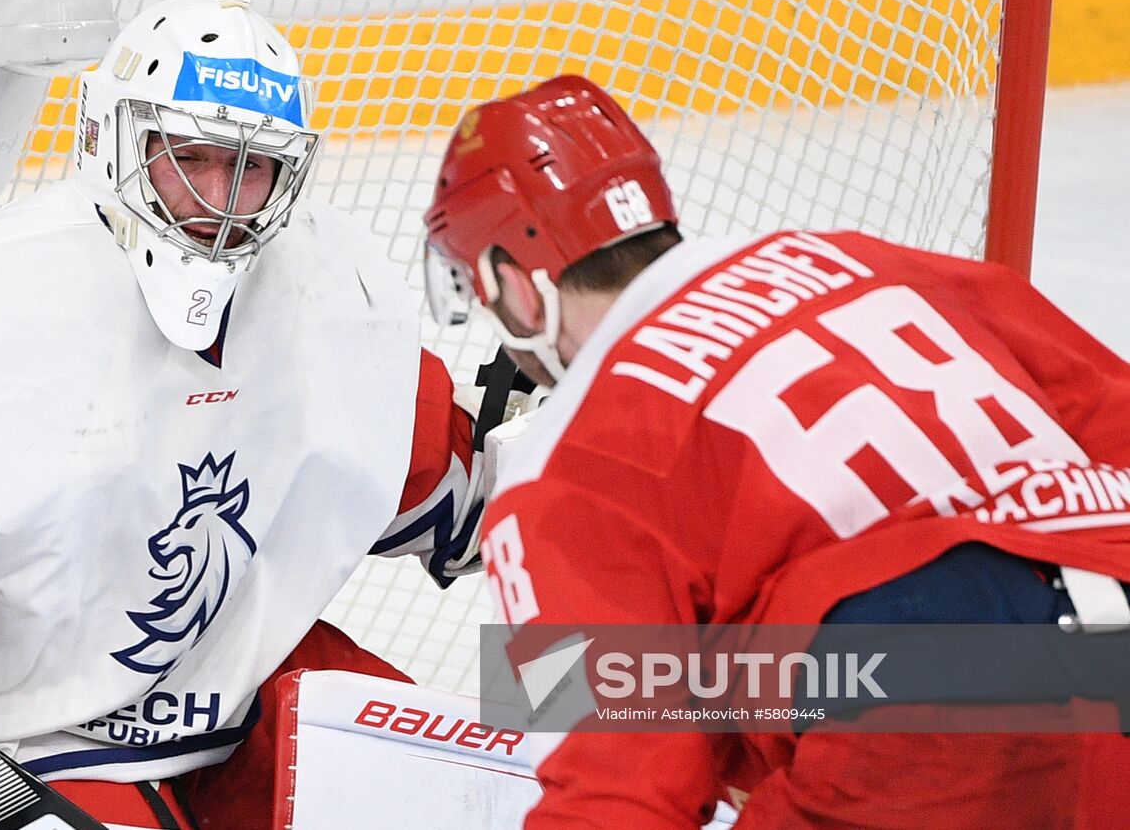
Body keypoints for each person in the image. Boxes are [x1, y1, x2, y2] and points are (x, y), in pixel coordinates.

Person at [0, 0, 481, 830]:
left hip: (243, 693)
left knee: (478, 795)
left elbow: (457, 489)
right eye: (191, 156)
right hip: (30, 735)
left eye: (252, 166)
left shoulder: (333, 292)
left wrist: (620, 671)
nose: (221, 199)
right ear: (109, 139)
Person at [421, 74, 1130, 829]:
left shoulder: (558, 466)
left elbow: (617, 795)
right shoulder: (860, 260)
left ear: (516, 286)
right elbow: (1109, 413)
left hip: (926, 703)